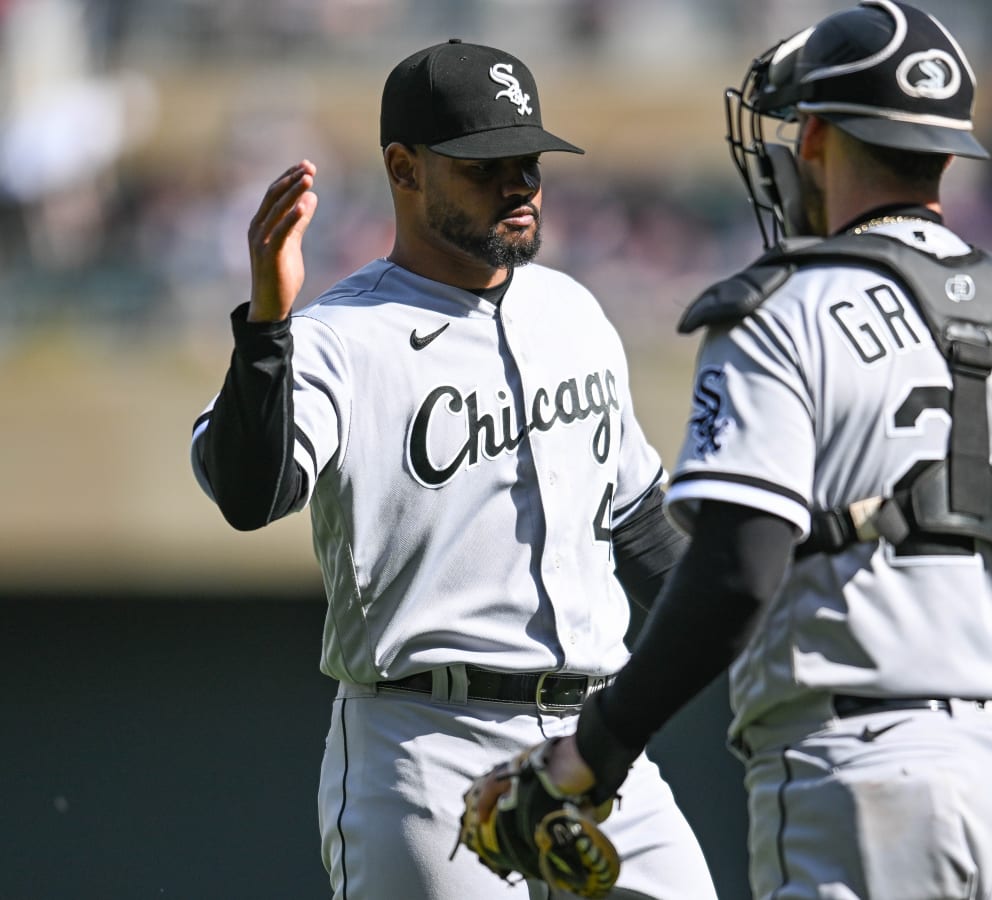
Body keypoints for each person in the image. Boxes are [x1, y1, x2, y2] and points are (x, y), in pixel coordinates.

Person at [523, 3, 992, 898]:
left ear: (814, 136)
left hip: (861, 770)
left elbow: (735, 572)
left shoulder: (782, 310)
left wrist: (598, 746)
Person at [189, 39, 718, 900]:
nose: (519, 184)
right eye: (485, 164)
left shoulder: (574, 311)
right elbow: (250, 494)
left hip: (593, 747)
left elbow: (638, 526)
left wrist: (763, 633)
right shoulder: (338, 338)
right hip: (428, 741)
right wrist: (266, 325)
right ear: (404, 168)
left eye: (529, 160)